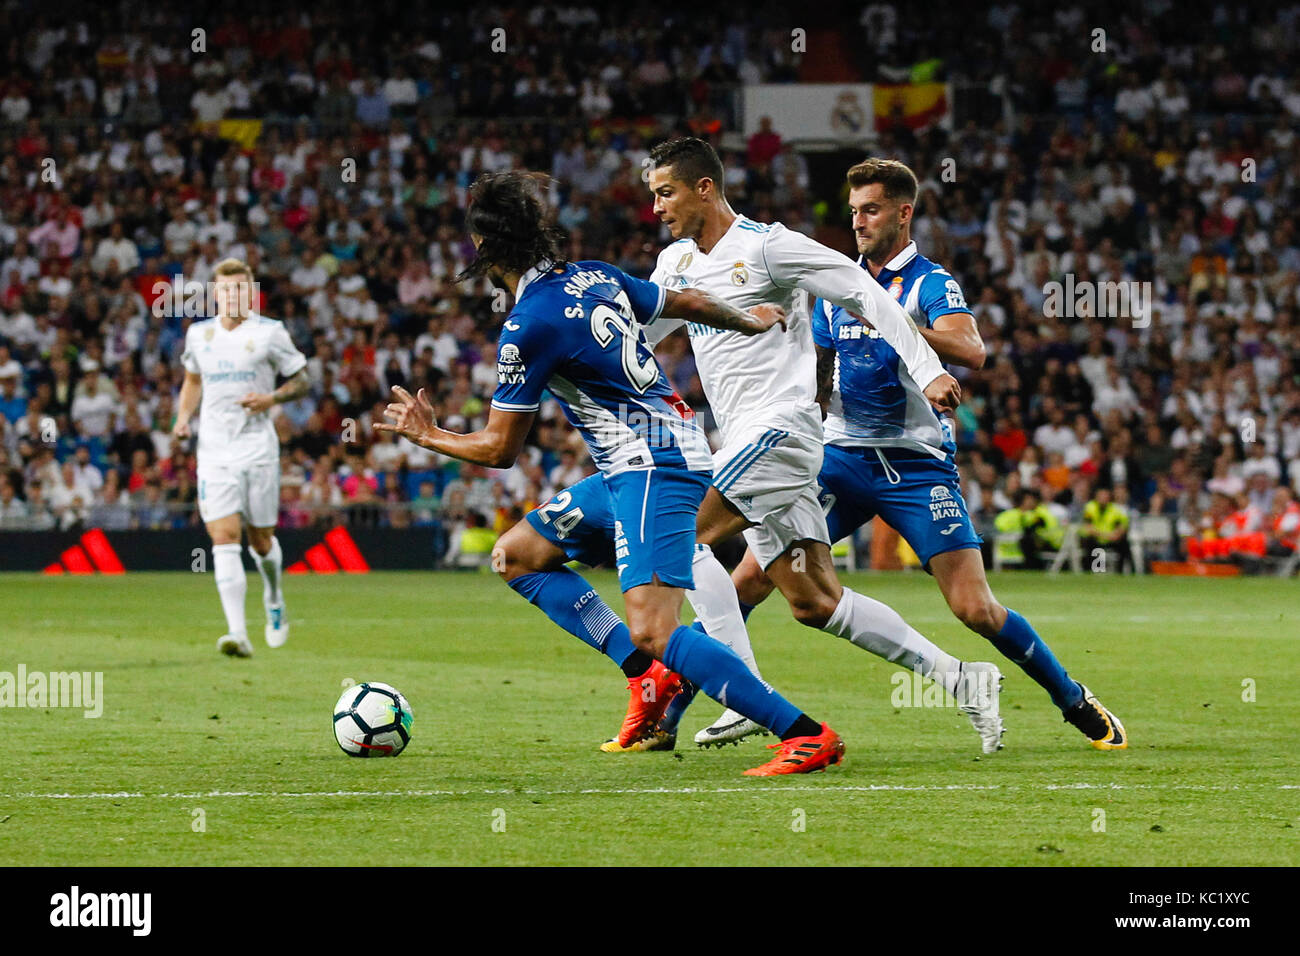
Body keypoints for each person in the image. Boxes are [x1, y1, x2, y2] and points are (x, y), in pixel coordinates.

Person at [376, 171, 843, 776]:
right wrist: (747, 319)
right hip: (651, 456)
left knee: (655, 626)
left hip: (652, 466)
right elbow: (685, 302)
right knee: (519, 555)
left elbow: (499, 449)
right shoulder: (593, 275)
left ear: (487, 252)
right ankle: (650, 680)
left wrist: (427, 435)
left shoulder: (527, 326)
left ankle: (803, 734)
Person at [731, 158, 1127, 749]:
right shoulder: (838, 284)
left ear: (902, 212)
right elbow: (819, 373)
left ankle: (1072, 698)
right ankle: (681, 703)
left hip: (916, 465)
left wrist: (895, 325)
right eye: (854, 211)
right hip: (841, 456)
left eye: (870, 209)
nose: (859, 221)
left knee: (975, 609)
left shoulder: (930, 283)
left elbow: (972, 350)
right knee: (751, 579)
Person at [173, 258, 309, 657]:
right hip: (214, 451)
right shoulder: (199, 335)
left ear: (250, 292)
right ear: (216, 294)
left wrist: (272, 397)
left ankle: (274, 598)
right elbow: (192, 380)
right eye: (226, 289)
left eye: (240, 289)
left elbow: (303, 379)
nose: (233, 296)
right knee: (223, 536)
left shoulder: (270, 333)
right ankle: (238, 633)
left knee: (261, 541)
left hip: (257, 448)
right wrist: (183, 418)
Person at [1081, 486, 1133, 574]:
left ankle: (1122, 571)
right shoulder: (1090, 507)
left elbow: (1122, 528)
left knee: (1124, 544)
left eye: (1105, 496)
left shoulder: (1116, 509)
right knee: (1088, 542)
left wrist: (1114, 535)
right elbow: (1088, 526)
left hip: (1111, 539)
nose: (1103, 498)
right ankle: (1090, 571)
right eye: (1101, 496)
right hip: (1097, 537)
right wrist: (1105, 535)